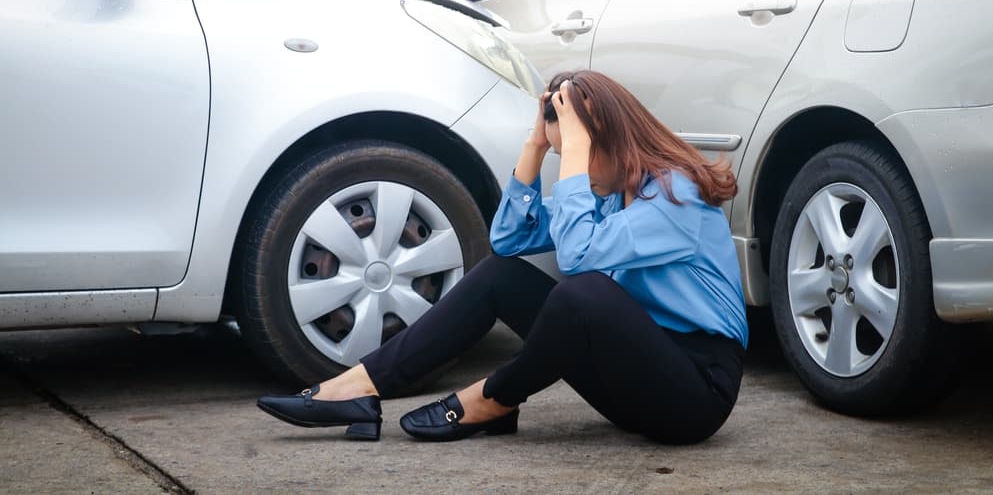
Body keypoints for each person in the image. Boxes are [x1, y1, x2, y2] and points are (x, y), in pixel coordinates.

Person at [257, 70, 748, 444]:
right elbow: (509, 240)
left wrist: (573, 148)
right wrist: (536, 146)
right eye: (561, 155)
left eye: (573, 152)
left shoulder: (674, 195)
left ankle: (494, 397)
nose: (570, 166)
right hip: (633, 381)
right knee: (502, 277)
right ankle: (359, 389)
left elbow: (578, 260)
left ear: (607, 139)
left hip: (694, 395)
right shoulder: (607, 196)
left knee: (585, 293)